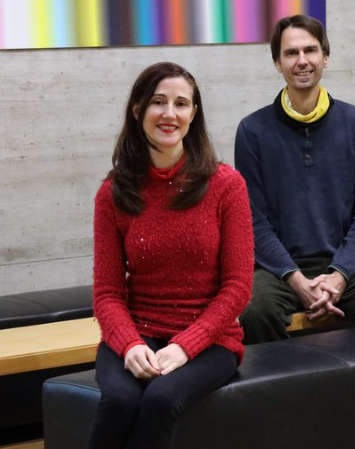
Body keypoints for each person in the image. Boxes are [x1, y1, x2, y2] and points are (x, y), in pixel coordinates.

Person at [89, 62, 254, 449]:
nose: (170, 114)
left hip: (211, 341)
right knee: (119, 399)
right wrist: (130, 345)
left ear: (193, 115)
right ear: (138, 110)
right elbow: (107, 294)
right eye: (158, 102)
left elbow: (238, 286)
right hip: (137, 335)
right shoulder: (113, 192)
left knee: (161, 398)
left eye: (181, 104)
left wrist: (186, 345)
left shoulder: (226, 185)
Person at [234, 14, 355, 343]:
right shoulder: (252, 130)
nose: (302, 61)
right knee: (254, 312)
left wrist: (339, 275)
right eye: (291, 53)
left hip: (344, 265)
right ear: (277, 63)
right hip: (276, 270)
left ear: (325, 57)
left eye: (310, 51)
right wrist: (296, 279)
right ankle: (281, 394)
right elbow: (253, 221)